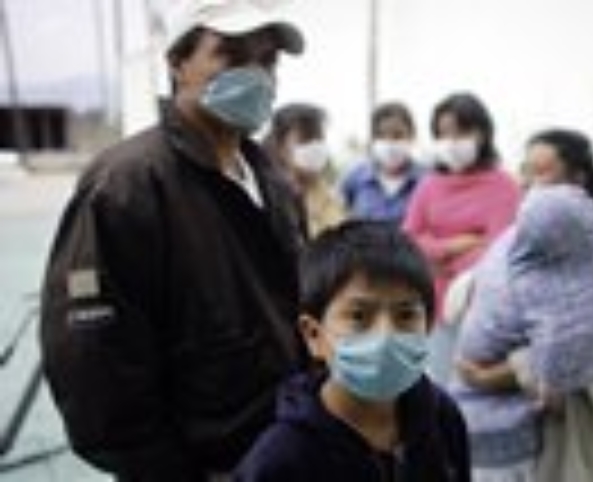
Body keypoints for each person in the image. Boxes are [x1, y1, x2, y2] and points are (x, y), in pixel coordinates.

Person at [39, 1, 309, 480]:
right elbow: (93, 369)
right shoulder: (126, 187)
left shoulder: (274, 181)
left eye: (267, 59)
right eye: (232, 54)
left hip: (284, 457)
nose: (256, 74)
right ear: (177, 62)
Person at [451, 128, 593, 482]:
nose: (526, 182)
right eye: (523, 170)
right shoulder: (531, 230)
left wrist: (492, 375)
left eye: (539, 172)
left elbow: (582, 338)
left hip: (547, 427)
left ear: (577, 179)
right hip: (484, 423)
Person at [234, 220, 471, 482]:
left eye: (405, 315)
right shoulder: (281, 459)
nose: (385, 335)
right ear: (313, 335)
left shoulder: (441, 417)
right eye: (359, 316)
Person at [402, 91, 521, 384]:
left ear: (482, 134)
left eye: (461, 133)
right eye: (444, 134)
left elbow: (498, 251)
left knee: (471, 390)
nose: (452, 142)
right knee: (437, 386)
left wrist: (441, 261)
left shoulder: (503, 186)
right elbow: (409, 239)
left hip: (482, 309)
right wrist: (456, 245)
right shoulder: (429, 185)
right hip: (432, 306)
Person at [262, 102, 345, 237]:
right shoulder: (268, 197)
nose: (315, 147)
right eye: (305, 139)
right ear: (280, 146)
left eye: (320, 139)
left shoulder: (328, 194)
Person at [341, 101, 425, 225]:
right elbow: (340, 217)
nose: (389, 143)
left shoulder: (426, 180)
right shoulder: (355, 178)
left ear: (412, 136)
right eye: (381, 136)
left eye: (398, 135)